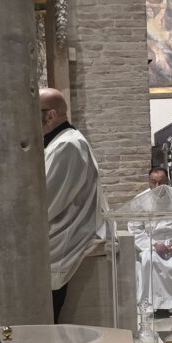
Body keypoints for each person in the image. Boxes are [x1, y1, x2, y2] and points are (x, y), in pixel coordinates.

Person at [41, 88, 105, 322]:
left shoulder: (67, 145)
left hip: (66, 235)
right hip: (61, 231)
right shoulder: (59, 141)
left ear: (50, 115)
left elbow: (46, 202)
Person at [130, 168, 172, 311]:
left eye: (161, 182)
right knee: (148, 259)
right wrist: (154, 244)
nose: (157, 186)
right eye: (153, 182)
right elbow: (136, 230)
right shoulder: (140, 200)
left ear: (167, 182)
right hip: (152, 243)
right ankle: (151, 304)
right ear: (148, 182)